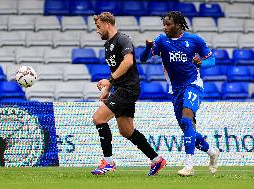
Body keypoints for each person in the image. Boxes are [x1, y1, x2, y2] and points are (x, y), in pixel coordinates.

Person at [140, 11, 220, 176]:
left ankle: (189, 166)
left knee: (186, 120)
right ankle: (212, 151)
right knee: (187, 128)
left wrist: (202, 63)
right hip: (175, 89)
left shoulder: (194, 40)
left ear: (178, 24)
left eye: (168, 24)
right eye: (164, 24)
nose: (165, 27)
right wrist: (148, 46)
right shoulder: (161, 40)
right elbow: (143, 58)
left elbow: (212, 61)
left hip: (193, 84)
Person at [91, 12, 166, 176]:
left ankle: (108, 162)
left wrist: (109, 80)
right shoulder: (107, 45)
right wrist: (108, 88)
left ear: (107, 24)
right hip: (121, 89)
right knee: (126, 131)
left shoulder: (122, 39)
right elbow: (116, 70)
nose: (97, 30)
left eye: (98, 26)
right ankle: (156, 159)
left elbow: (128, 62)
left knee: (98, 118)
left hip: (128, 89)